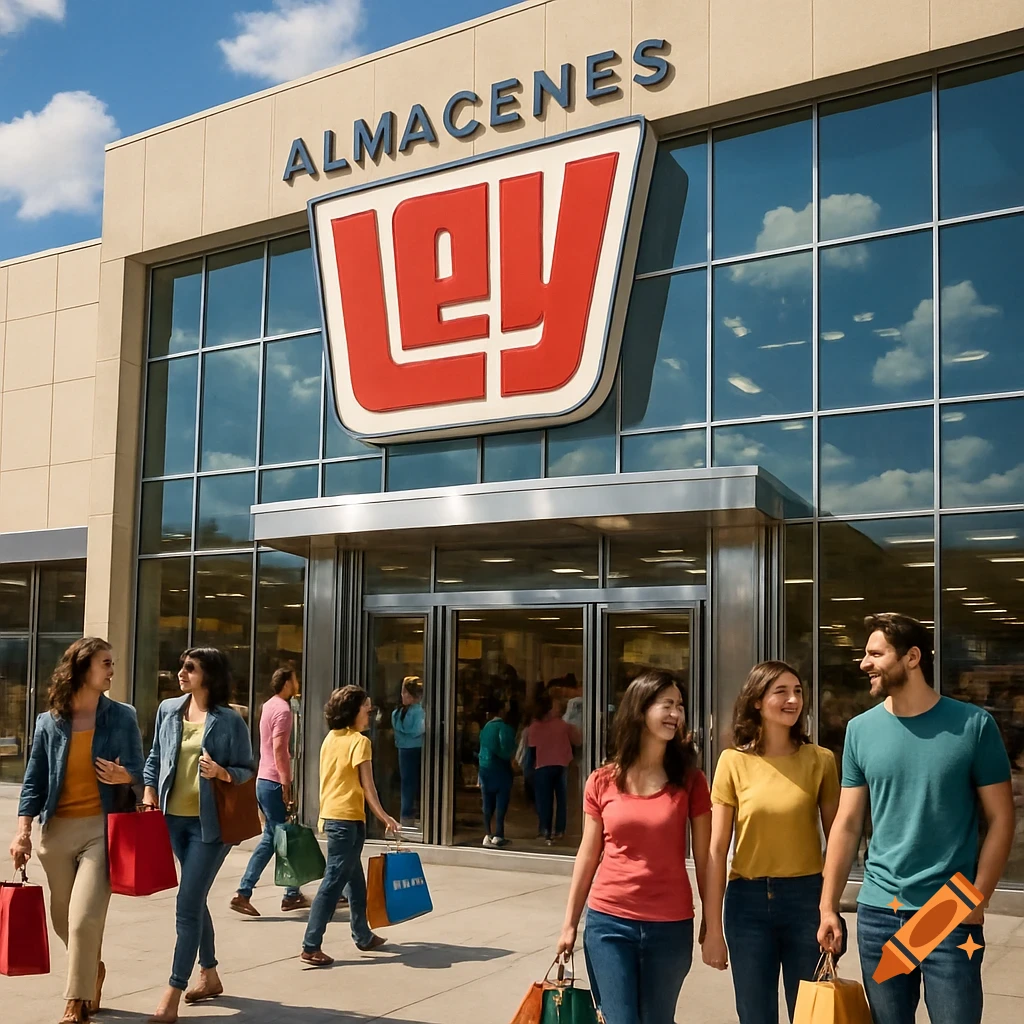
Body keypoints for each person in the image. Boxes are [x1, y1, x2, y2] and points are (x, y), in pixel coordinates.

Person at [818, 613, 1015, 1024]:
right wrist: (827, 906)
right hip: (878, 911)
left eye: (875, 653)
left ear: (911, 658)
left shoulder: (973, 725)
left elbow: (1001, 819)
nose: (864, 663)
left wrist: (978, 898)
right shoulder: (860, 730)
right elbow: (848, 823)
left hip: (948, 909)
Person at [557, 669, 712, 1024]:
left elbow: (706, 859)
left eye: (681, 706)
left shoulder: (690, 779)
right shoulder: (601, 780)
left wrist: (712, 922)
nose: (676, 714)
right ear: (641, 709)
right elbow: (588, 854)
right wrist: (569, 923)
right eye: (667, 704)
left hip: (670, 926)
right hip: (609, 922)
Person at [9, 637, 144, 1024]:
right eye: (105, 663)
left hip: (102, 829)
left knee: (85, 919)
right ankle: (92, 970)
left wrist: (126, 776)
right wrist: (23, 832)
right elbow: (34, 781)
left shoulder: (122, 716)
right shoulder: (49, 721)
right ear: (83, 668)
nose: (111, 670)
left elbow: (139, 770)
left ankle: (76, 1002)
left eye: (112, 662)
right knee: (63, 920)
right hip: (57, 832)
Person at [703, 661, 841, 1024]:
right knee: (755, 1015)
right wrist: (713, 928)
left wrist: (830, 908)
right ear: (757, 702)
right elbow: (717, 850)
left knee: (811, 1014)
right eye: (781, 691)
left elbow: (838, 839)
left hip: (805, 899)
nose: (792, 699)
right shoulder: (732, 762)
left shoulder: (820, 761)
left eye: (797, 691)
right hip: (747, 904)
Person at [144, 648, 255, 1024]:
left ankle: (173, 990)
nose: (181, 673)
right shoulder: (168, 710)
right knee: (195, 899)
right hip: (173, 820)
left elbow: (246, 769)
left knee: (186, 903)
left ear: (208, 675)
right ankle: (209, 973)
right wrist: (148, 794)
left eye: (190, 668)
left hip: (211, 827)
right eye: (182, 666)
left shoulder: (229, 721)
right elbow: (155, 757)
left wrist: (223, 773)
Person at [301, 686, 401, 966]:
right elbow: (368, 787)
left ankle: (362, 934)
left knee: (355, 881)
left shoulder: (330, 739)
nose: (370, 714)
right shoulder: (360, 742)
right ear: (353, 711)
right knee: (333, 881)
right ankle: (311, 945)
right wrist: (385, 817)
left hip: (334, 817)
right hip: (346, 820)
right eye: (366, 709)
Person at [231, 667, 307, 917]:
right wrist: (286, 782)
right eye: (295, 679)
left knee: (274, 837)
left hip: (262, 778)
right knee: (277, 837)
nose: (297, 683)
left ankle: (288, 893)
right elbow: (278, 748)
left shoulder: (268, 706)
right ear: (286, 682)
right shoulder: (284, 710)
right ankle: (249, 892)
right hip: (274, 781)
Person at [528, 690, 580, 845]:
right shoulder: (563, 725)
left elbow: (532, 750)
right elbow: (577, 740)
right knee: (562, 800)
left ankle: (545, 830)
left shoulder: (534, 727)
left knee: (545, 800)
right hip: (562, 765)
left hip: (542, 765)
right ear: (549, 709)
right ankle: (560, 830)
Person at [478, 696, 516, 848]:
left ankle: (487, 833)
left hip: (485, 768)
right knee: (501, 803)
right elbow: (507, 750)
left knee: (487, 803)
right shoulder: (505, 729)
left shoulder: (485, 729)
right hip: (501, 768)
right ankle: (499, 834)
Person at [391, 676, 425, 826]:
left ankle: (406, 815)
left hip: (403, 750)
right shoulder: (420, 711)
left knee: (407, 783)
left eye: (406, 693)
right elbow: (421, 729)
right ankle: (415, 814)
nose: (403, 696)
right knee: (417, 783)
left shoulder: (396, 713)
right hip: (417, 748)